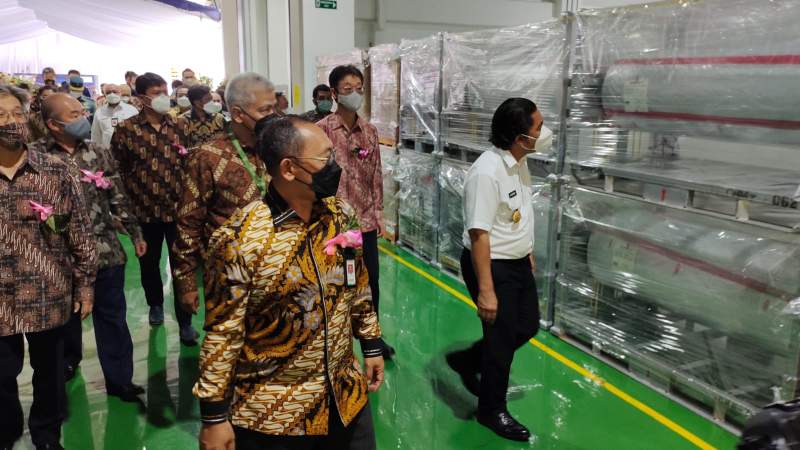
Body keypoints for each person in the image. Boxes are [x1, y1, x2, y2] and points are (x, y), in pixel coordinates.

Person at [195, 116, 384, 450]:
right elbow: (224, 332)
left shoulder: (340, 215)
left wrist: (370, 344)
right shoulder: (240, 240)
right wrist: (214, 416)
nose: (334, 165)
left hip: (345, 397)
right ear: (289, 168)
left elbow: (359, 284)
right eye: (325, 158)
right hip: (276, 415)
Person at [446, 97, 553, 442]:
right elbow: (479, 233)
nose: (544, 131)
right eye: (538, 127)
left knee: (527, 326)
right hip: (491, 264)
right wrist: (487, 290)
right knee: (501, 340)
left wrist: (528, 250)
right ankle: (491, 410)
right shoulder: (486, 172)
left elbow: (517, 212)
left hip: (517, 260)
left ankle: (467, 360)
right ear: (521, 138)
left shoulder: (519, 161)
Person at [0, 84, 97, 450]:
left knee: (51, 376)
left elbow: (81, 232)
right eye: (1, 115)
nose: (11, 122)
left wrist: (85, 285)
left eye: (17, 114)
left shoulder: (55, 171)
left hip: (48, 293)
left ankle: (46, 437)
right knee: (2, 380)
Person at [41, 93, 147, 399]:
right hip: (61, 257)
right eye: (74, 113)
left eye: (82, 111)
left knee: (112, 318)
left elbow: (118, 197)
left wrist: (135, 233)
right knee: (65, 320)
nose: (83, 116)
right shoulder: (36, 158)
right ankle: (65, 367)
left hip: (105, 251)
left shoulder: (99, 152)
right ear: (53, 124)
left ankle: (120, 380)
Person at [172, 72, 274, 315]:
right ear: (238, 114)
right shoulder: (207, 156)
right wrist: (186, 281)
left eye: (274, 109)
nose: (273, 117)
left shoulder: (278, 148)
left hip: (277, 270)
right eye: (265, 110)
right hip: (228, 277)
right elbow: (188, 222)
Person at [110, 72, 197, 345]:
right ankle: (155, 304)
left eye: (164, 91)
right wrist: (122, 211)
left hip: (178, 210)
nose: (163, 97)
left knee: (181, 265)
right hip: (144, 212)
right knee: (149, 265)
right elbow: (117, 170)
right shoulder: (126, 130)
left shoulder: (181, 127)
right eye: (156, 92)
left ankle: (185, 322)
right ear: (141, 98)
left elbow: (193, 165)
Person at [317, 65, 394, 359]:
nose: (354, 93)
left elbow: (376, 176)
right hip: (332, 225)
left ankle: (372, 339)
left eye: (358, 87)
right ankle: (333, 345)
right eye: (347, 89)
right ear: (335, 94)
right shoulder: (321, 131)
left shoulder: (370, 132)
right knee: (334, 286)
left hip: (363, 224)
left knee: (369, 283)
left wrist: (378, 217)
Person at [90, 83, 139, 148]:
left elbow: (138, 132)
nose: (112, 94)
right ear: (104, 95)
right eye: (108, 92)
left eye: (114, 92)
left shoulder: (132, 110)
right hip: (108, 151)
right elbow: (95, 135)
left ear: (120, 93)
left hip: (129, 150)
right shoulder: (99, 112)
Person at [177, 84, 226, 148]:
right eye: (208, 99)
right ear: (197, 103)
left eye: (211, 99)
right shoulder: (182, 120)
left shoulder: (219, 118)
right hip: (194, 157)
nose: (212, 102)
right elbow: (181, 147)